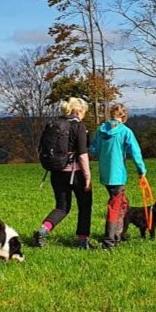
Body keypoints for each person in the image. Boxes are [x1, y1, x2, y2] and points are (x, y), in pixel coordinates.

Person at [33, 97, 94, 250]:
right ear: (79, 111)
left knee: (62, 207)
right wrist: (87, 177)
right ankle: (82, 241)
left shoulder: (53, 124)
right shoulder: (78, 126)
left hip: (56, 171)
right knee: (85, 206)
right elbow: (82, 154)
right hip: (76, 173)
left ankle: (44, 230)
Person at [90, 103, 146, 250]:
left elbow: (93, 150)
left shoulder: (100, 130)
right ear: (124, 116)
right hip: (118, 175)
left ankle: (118, 235)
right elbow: (135, 152)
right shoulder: (125, 131)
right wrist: (141, 170)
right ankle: (109, 241)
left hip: (105, 174)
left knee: (122, 203)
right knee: (115, 206)